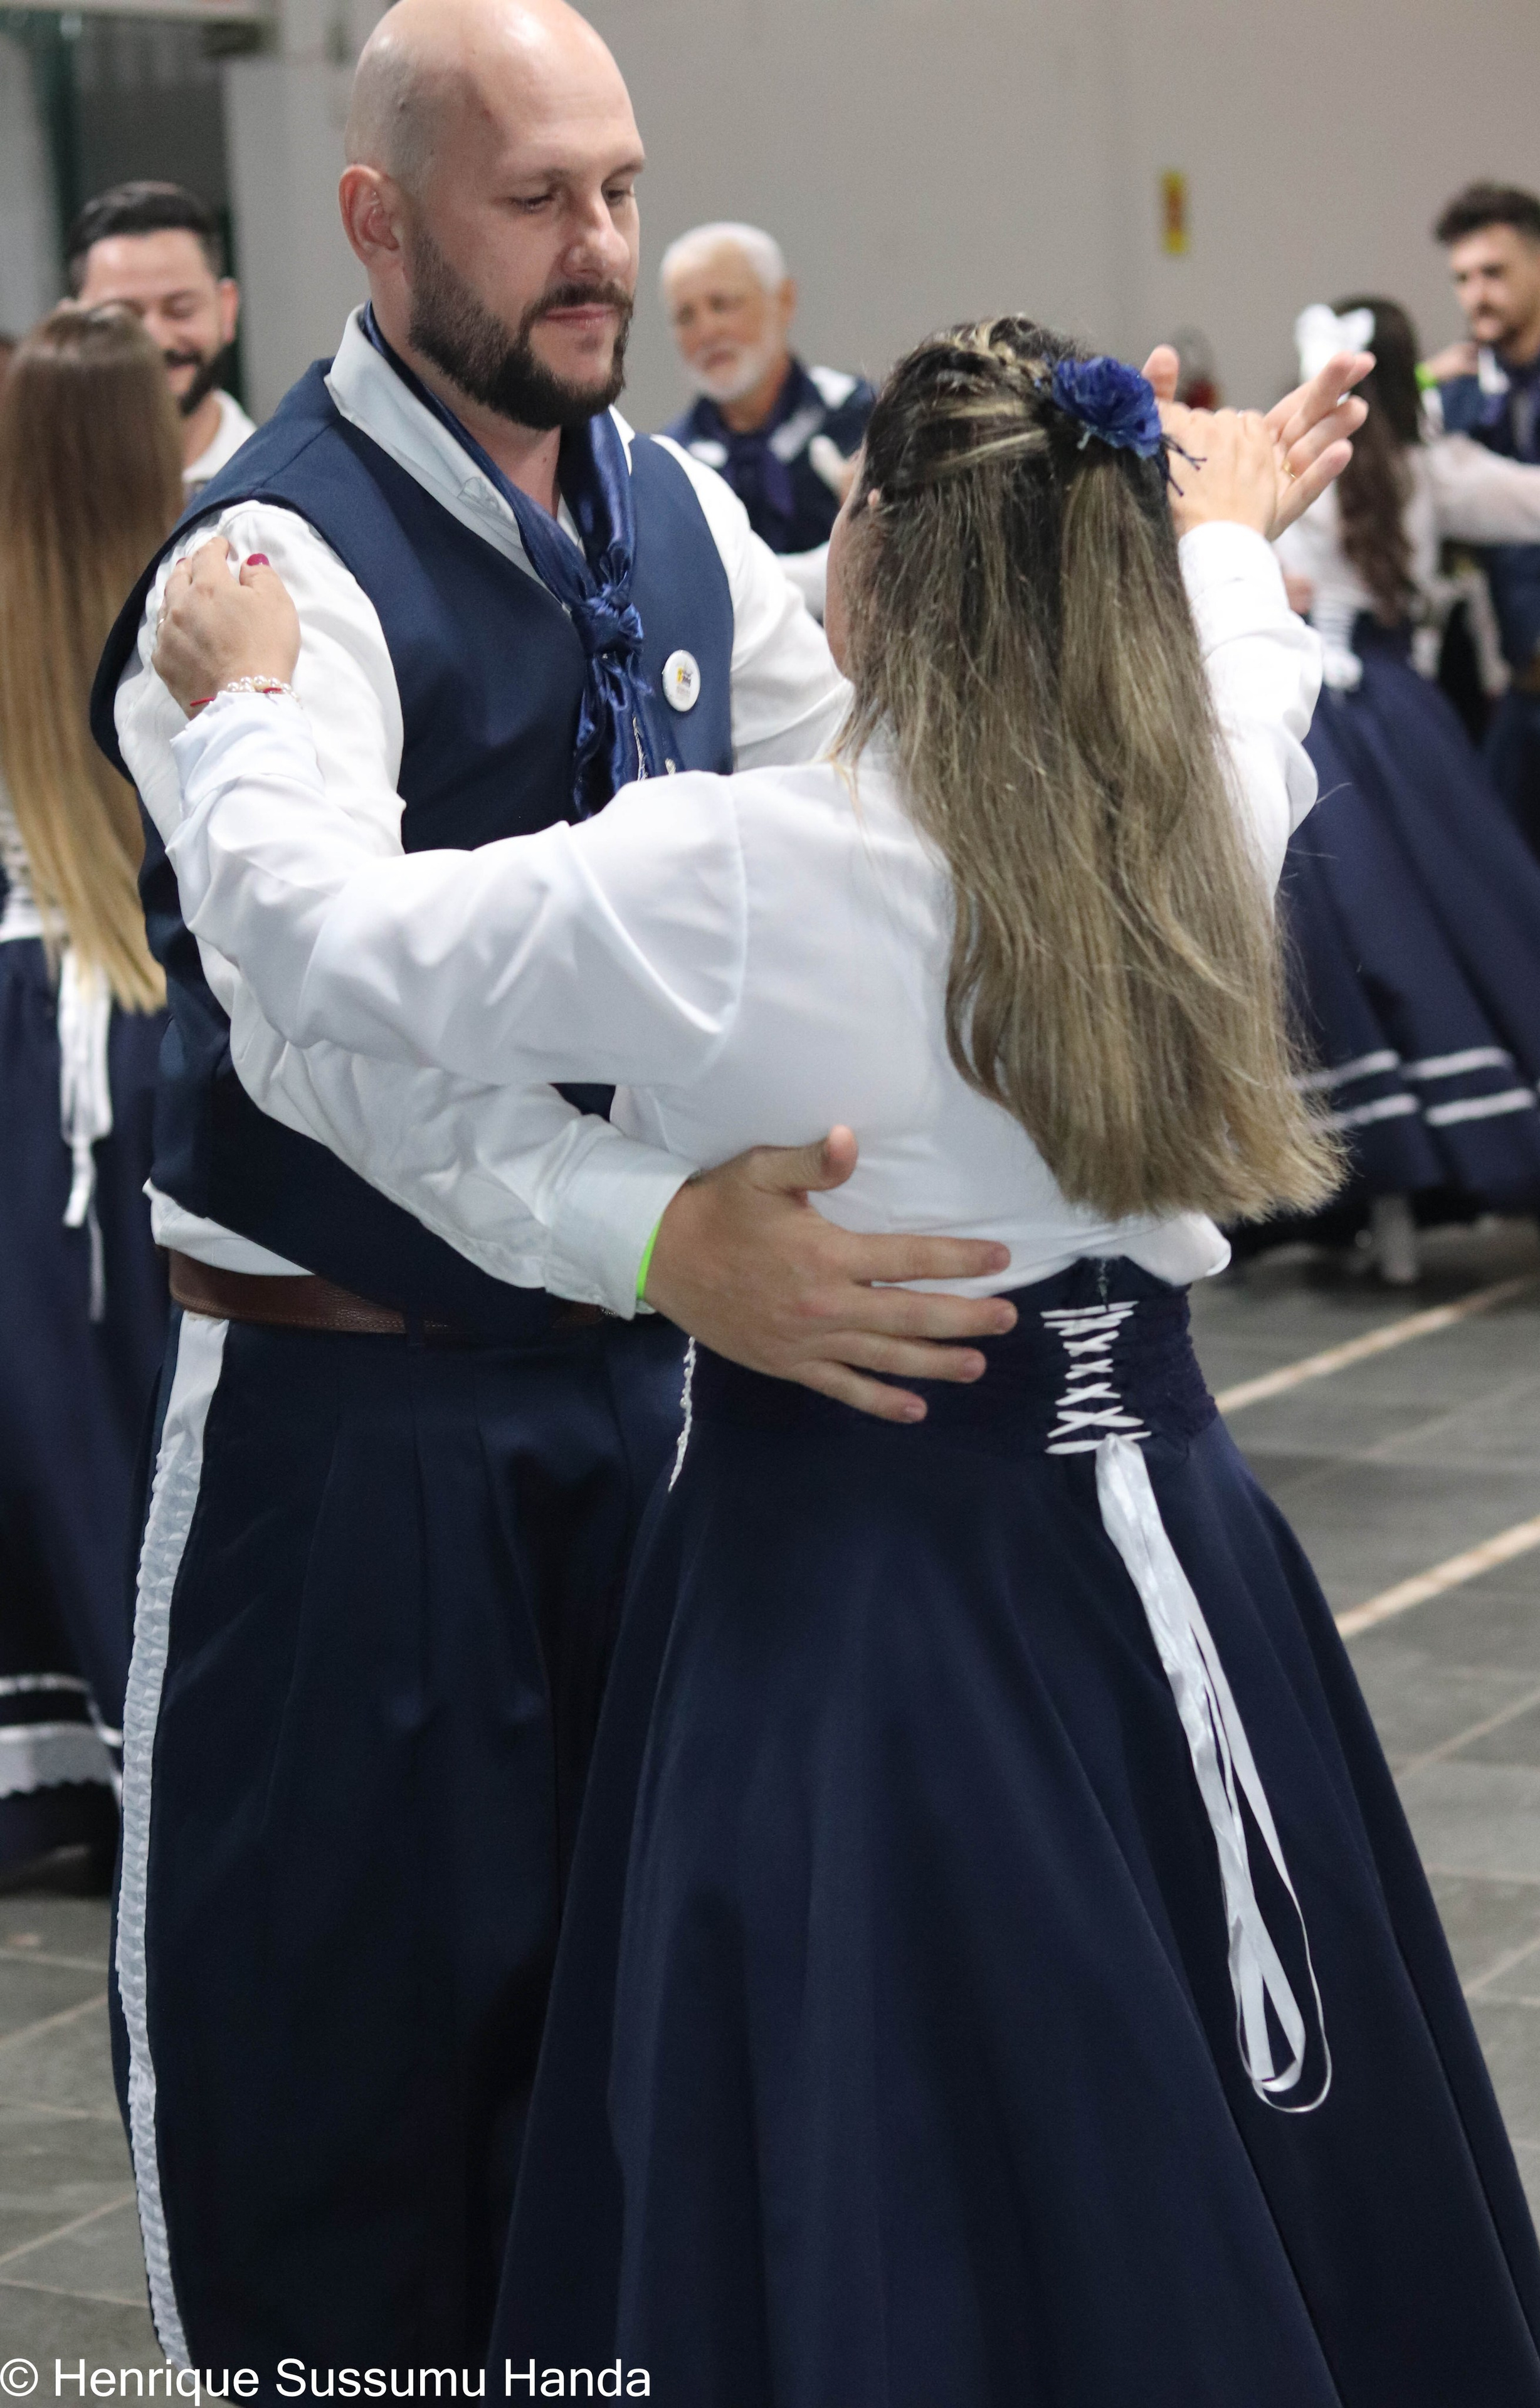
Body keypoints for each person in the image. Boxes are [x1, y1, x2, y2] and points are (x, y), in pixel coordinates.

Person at [150, 321, 1540, 2408]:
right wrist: (1234, 533)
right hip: (1182, 1557)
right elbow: (1251, 664)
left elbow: (318, 942)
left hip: (866, 1603)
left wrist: (253, 713)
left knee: (875, 2152)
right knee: (1195, 2121)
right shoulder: (1194, 798)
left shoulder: (752, 881)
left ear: (879, 553)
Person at [88, 0, 1042, 2370]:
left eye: (617, 187)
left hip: (644, 1410)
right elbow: (322, 1051)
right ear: (374, 218)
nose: (599, 248)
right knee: (336, 2087)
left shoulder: (669, 506)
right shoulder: (266, 573)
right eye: (536, 201)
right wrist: (656, 1233)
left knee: (639, 2046)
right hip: (351, 1437)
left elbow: (849, 827)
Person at [1274, 297, 1540, 1281]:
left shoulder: (1290, 461)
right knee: (1461, 932)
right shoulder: (1433, 466)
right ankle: (1403, 1220)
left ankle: (1379, 1219)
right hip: (1404, 717)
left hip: (1310, 719)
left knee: (1338, 956)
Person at [0, 306, 177, 1875]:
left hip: (24, 1042)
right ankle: (168, 1730)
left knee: (41, 1403)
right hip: (152, 1022)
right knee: (152, 1399)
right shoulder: (215, 588)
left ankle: (47, 1771)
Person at [1427, 183, 1540, 930]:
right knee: (1513, 914)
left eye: (1494, 273)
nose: (1477, 295)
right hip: (1516, 702)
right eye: (1462, 279)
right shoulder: (1451, 398)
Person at [660, 221, 873, 615]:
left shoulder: (863, 419)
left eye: (723, 304)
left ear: (785, 300)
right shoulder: (668, 464)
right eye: (686, 317)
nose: (706, 331)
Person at [69, 181, 254, 497]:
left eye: (181, 310)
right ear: (70, 326)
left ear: (227, 309)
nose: (155, 341)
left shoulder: (289, 485)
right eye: (122, 316)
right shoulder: (33, 496)